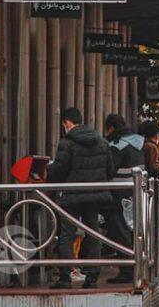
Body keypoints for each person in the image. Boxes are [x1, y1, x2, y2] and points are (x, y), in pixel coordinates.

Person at [47, 107, 114, 289]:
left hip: (73, 196)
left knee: (67, 235)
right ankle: (92, 278)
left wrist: (48, 171)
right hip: (95, 195)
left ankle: (65, 278)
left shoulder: (66, 143)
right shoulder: (101, 141)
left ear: (67, 123)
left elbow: (59, 170)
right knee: (93, 234)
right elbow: (110, 169)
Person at [103, 114, 144, 284]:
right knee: (133, 229)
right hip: (135, 193)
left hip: (119, 193)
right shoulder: (138, 143)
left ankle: (127, 270)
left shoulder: (117, 145)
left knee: (120, 230)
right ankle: (136, 267)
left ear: (111, 128)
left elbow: (109, 169)